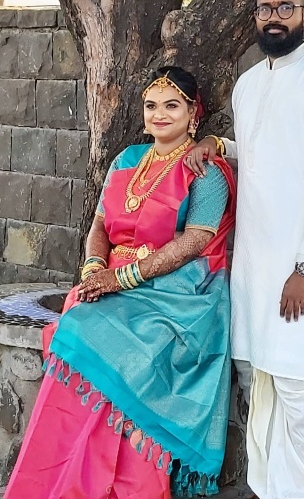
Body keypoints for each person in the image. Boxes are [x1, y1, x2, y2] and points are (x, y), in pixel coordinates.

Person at [5, 66, 236, 499]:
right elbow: (99, 225)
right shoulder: (126, 159)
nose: (160, 115)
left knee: (86, 330)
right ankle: (58, 477)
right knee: (79, 320)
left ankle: (125, 485)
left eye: (172, 106)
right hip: (114, 282)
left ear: (193, 114)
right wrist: (94, 269)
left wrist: (121, 278)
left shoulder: (207, 170)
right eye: (152, 106)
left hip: (179, 295)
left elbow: (194, 243)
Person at [185, 0, 304, 499]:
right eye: (265, 9)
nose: (274, 17)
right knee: (258, 384)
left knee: (301, 392)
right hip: (255, 267)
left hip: (301, 270)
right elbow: (265, 154)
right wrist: (220, 145)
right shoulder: (248, 84)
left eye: (285, 7)